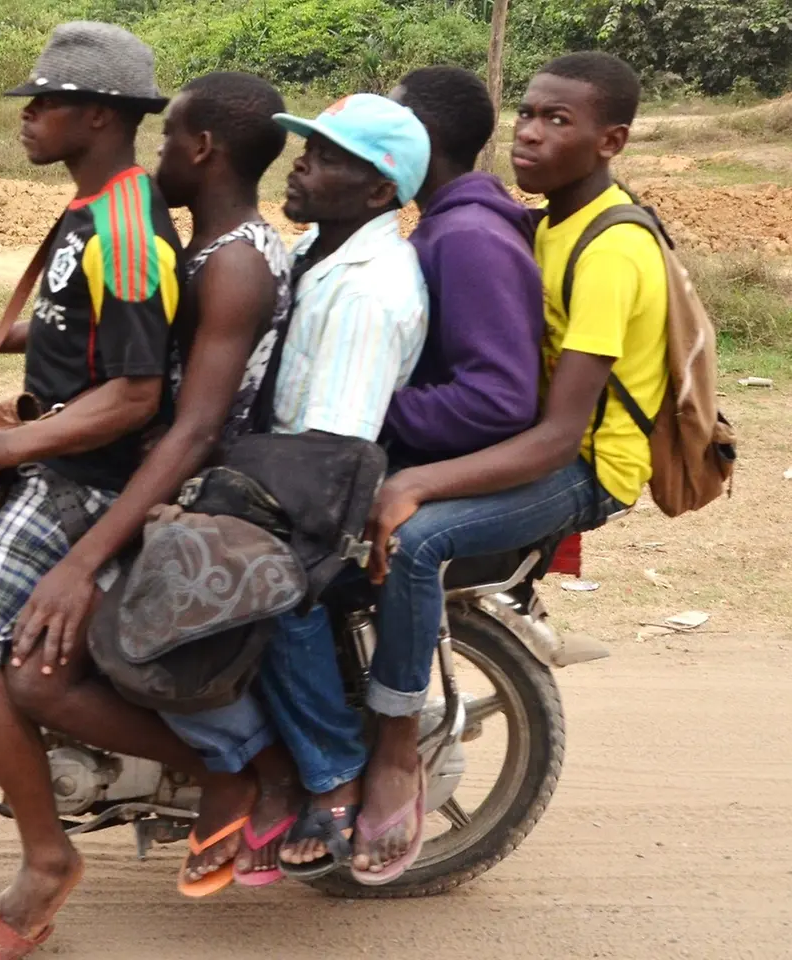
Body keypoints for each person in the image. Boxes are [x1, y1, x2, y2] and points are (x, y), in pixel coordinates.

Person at [349, 51, 666, 885]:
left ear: (611, 140)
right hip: (543, 438)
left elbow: (558, 433)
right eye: (527, 113)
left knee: (416, 539)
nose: (530, 132)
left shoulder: (612, 250)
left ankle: (393, 745)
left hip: (586, 464)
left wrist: (416, 480)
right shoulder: (550, 219)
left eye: (558, 121)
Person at [0, 23, 182, 959]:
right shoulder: (91, 210)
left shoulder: (129, 227)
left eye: (46, 100)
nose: (27, 115)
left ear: (98, 115)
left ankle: (46, 861)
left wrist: (13, 440)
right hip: (56, 452)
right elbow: (81, 330)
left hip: (86, 480)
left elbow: (137, 392)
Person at [1, 71, 304, 898]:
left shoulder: (236, 262)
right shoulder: (199, 244)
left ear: (202, 148)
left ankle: (242, 763)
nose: (157, 151)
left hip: (197, 487)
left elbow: (195, 428)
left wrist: (84, 557)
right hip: (159, 464)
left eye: (168, 137)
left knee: (39, 670)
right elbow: (117, 321)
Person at [267, 65, 547, 877]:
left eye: (382, 122)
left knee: (277, 584)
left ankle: (357, 757)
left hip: (382, 459)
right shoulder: (414, 231)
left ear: (412, 147)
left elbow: (499, 401)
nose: (309, 158)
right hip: (354, 450)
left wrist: (384, 415)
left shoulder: (462, 239)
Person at [163, 93, 432, 886]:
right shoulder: (319, 247)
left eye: (326, 156)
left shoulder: (369, 290)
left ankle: (329, 766)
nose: (302, 163)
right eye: (305, 147)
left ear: (380, 192)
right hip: (280, 466)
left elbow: (328, 450)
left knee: (258, 588)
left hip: (313, 488)